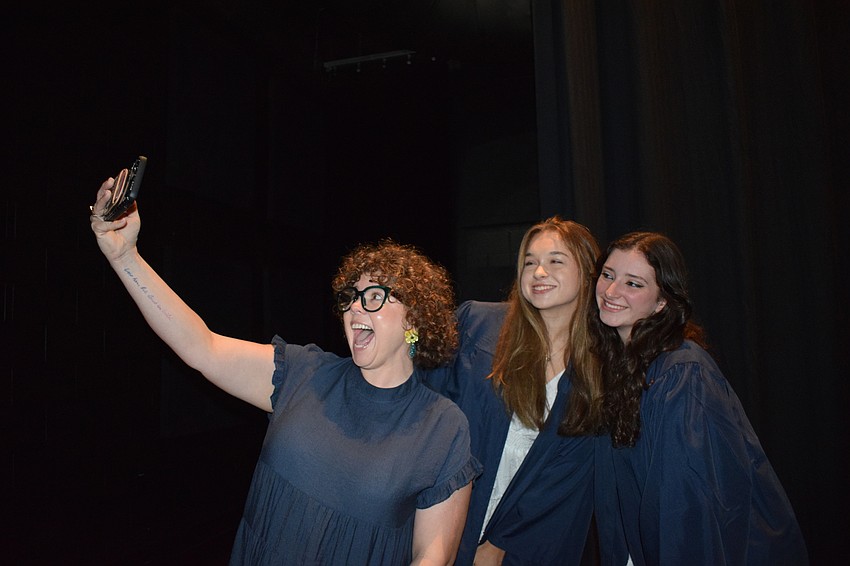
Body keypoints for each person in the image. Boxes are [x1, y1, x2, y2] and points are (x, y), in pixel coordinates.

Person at [89, 176, 482, 565]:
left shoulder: (443, 428)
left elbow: (434, 556)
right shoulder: (302, 374)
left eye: (374, 296)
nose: (355, 308)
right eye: (350, 297)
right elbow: (201, 346)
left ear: (414, 317)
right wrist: (125, 257)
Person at [590, 231, 808, 565]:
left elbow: (688, 511)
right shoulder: (623, 368)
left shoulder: (681, 373)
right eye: (608, 275)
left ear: (663, 301)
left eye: (633, 283)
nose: (611, 291)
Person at [426, 217, 603, 565]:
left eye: (555, 261)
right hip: (444, 521)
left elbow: (567, 485)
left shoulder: (599, 372)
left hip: (525, 545)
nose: (539, 272)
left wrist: (499, 546)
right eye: (530, 262)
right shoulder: (478, 325)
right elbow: (422, 392)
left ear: (587, 273)